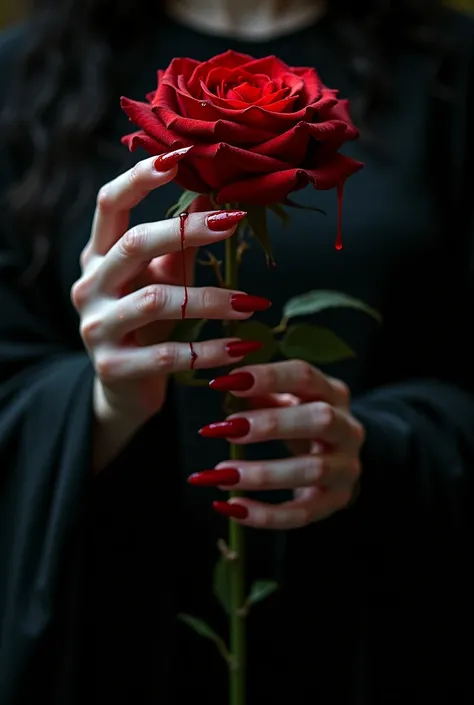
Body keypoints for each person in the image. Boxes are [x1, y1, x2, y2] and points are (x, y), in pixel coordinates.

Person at [0, 0, 472, 702]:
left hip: (383, 631)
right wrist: (104, 401)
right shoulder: (22, 77)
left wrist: (382, 447)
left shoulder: (452, 72)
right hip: (114, 630)